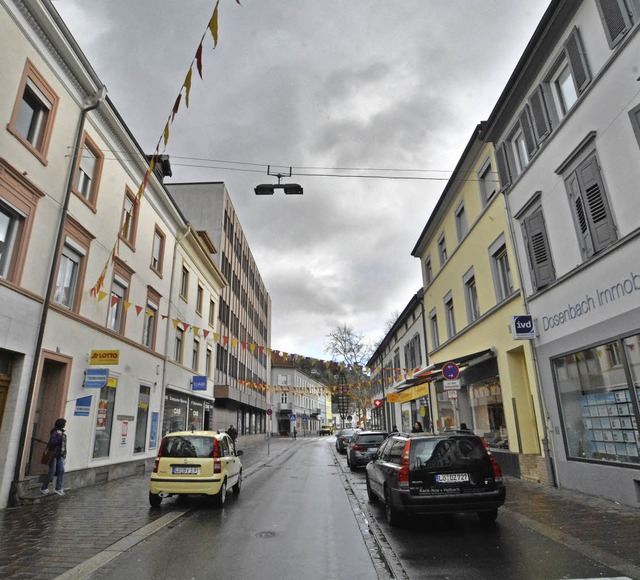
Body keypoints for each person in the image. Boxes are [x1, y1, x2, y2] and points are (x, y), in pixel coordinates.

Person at [41, 418, 67, 496]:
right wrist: (59, 436)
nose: (65, 425)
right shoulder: (55, 432)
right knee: (51, 472)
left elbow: (64, 445)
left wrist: (64, 454)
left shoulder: (62, 433)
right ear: (61, 424)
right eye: (64, 423)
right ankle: (44, 488)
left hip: (60, 455)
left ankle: (58, 488)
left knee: (61, 471)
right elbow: (52, 442)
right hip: (54, 455)